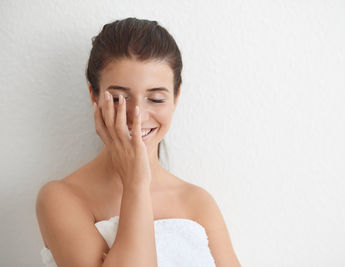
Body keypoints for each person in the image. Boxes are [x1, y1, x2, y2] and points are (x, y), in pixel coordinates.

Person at [36, 17, 241, 266]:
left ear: (176, 98)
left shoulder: (197, 202)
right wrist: (136, 183)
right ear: (94, 95)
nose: (137, 116)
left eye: (155, 99)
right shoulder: (62, 198)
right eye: (119, 98)